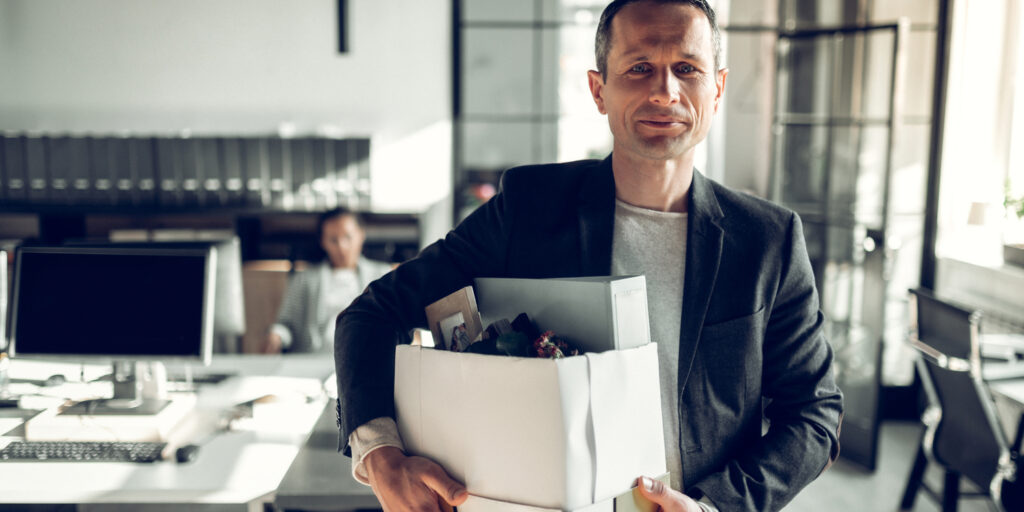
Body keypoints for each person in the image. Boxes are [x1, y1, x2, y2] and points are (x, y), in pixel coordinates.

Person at [334, 1, 843, 511]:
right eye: (639, 68)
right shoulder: (529, 209)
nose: (664, 91)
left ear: (718, 88)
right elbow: (372, 316)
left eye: (686, 69)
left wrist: (715, 507)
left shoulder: (766, 239)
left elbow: (814, 413)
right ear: (599, 90)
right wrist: (380, 454)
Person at [264, 207, 391, 354]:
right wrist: (276, 335)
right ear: (323, 242)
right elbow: (285, 324)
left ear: (361, 235)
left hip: (366, 359)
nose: (341, 247)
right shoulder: (304, 280)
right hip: (316, 359)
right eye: (333, 240)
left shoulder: (383, 277)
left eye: (348, 237)